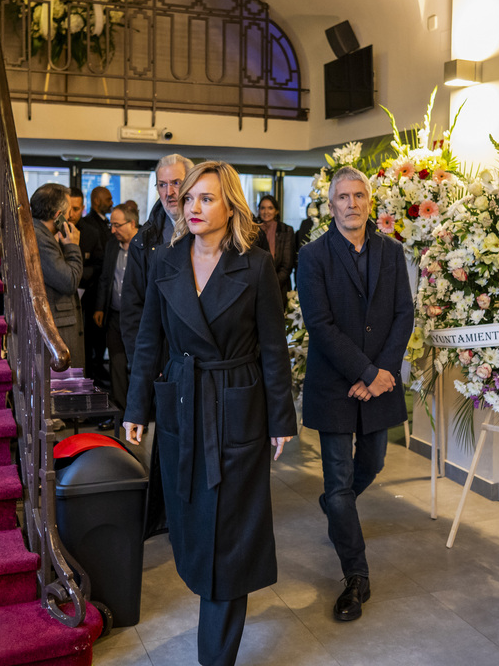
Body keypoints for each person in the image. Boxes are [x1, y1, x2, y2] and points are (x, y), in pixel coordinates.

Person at [124, 161, 296, 666]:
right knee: (193, 526)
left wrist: (282, 418)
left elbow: (272, 348)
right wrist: (138, 406)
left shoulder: (256, 265)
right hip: (182, 401)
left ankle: (214, 657)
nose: (193, 206)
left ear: (231, 207)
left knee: (230, 535)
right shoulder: (167, 260)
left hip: (237, 405)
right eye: (190, 197)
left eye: (206, 198)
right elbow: (149, 341)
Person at [296, 165, 413, 623]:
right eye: (342, 197)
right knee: (339, 483)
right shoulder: (313, 256)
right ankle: (356, 576)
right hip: (335, 384)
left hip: (379, 383)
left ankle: (335, 508)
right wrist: (365, 370)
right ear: (331, 206)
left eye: (358, 195)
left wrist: (382, 372)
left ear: (370, 201)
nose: (352, 203)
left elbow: (404, 314)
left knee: (374, 463)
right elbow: (320, 324)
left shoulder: (391, 252)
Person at [121, 154, 194, 539]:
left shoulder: (210, 232)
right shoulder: (146, 240)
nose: (169, 192)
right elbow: (133, 311)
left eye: (176, 183)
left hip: (201, 360)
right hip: (161, 362)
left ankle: (188, 515)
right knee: (167, 441)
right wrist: (141, 366)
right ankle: (166, 517)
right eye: (162, 185)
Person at [93, 202, 139, 430]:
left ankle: (140, 414)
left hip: (139, 320)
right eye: (111, 225)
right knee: (116, 364)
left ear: (132, 223)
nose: (112, 230)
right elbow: (105, 279)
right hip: (114, 316)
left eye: (117, 225)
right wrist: (100, 307)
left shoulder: (145, 247)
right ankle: (120, 412)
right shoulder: (112, 246)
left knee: (139, 366)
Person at [30, 183, 85, 369]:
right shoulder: (39, 238)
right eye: (69, 211)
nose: (70, 217)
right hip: (57, 327)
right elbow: (69, 281)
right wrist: (72, 246)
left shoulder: (42, 233)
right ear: (57, 215)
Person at [79, 186, 113, 382]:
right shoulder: (88, 226)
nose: (111, 202)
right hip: (90, 291)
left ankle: (97, 368)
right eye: (107, 199)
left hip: (102, 288)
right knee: (91, 337)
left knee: (100, 337)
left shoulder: (105, 224)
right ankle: (91, 373)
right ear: (96, 201)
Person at [255, 194, 295, 307]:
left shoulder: (286, 230)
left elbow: (287, 266)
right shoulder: (252, 231)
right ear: (258, 210)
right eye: (262, 208)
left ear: (276, 211)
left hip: (279, 287)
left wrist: (271, 284)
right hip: (255, 288)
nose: (266, 211)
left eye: (270, 208)